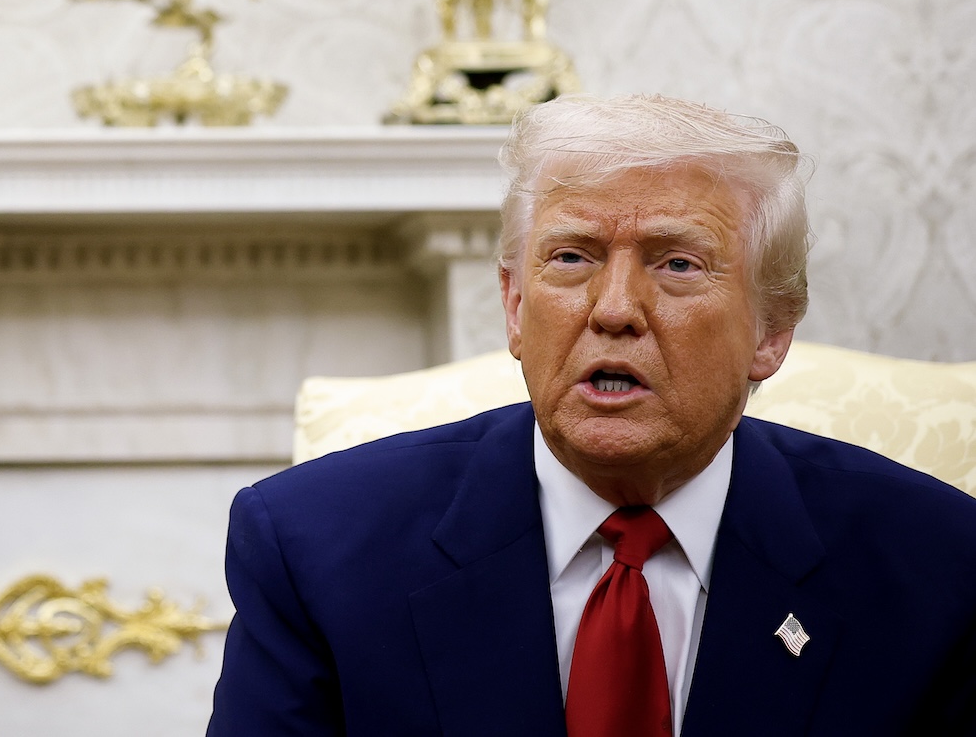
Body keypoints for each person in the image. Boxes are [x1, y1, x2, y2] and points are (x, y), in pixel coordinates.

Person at [207, 94, 976, 736]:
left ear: (772, 329)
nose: (614, 311)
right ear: (514, 306)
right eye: (571, 257)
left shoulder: (937, 568)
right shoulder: (314, 549)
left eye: (677, 264)